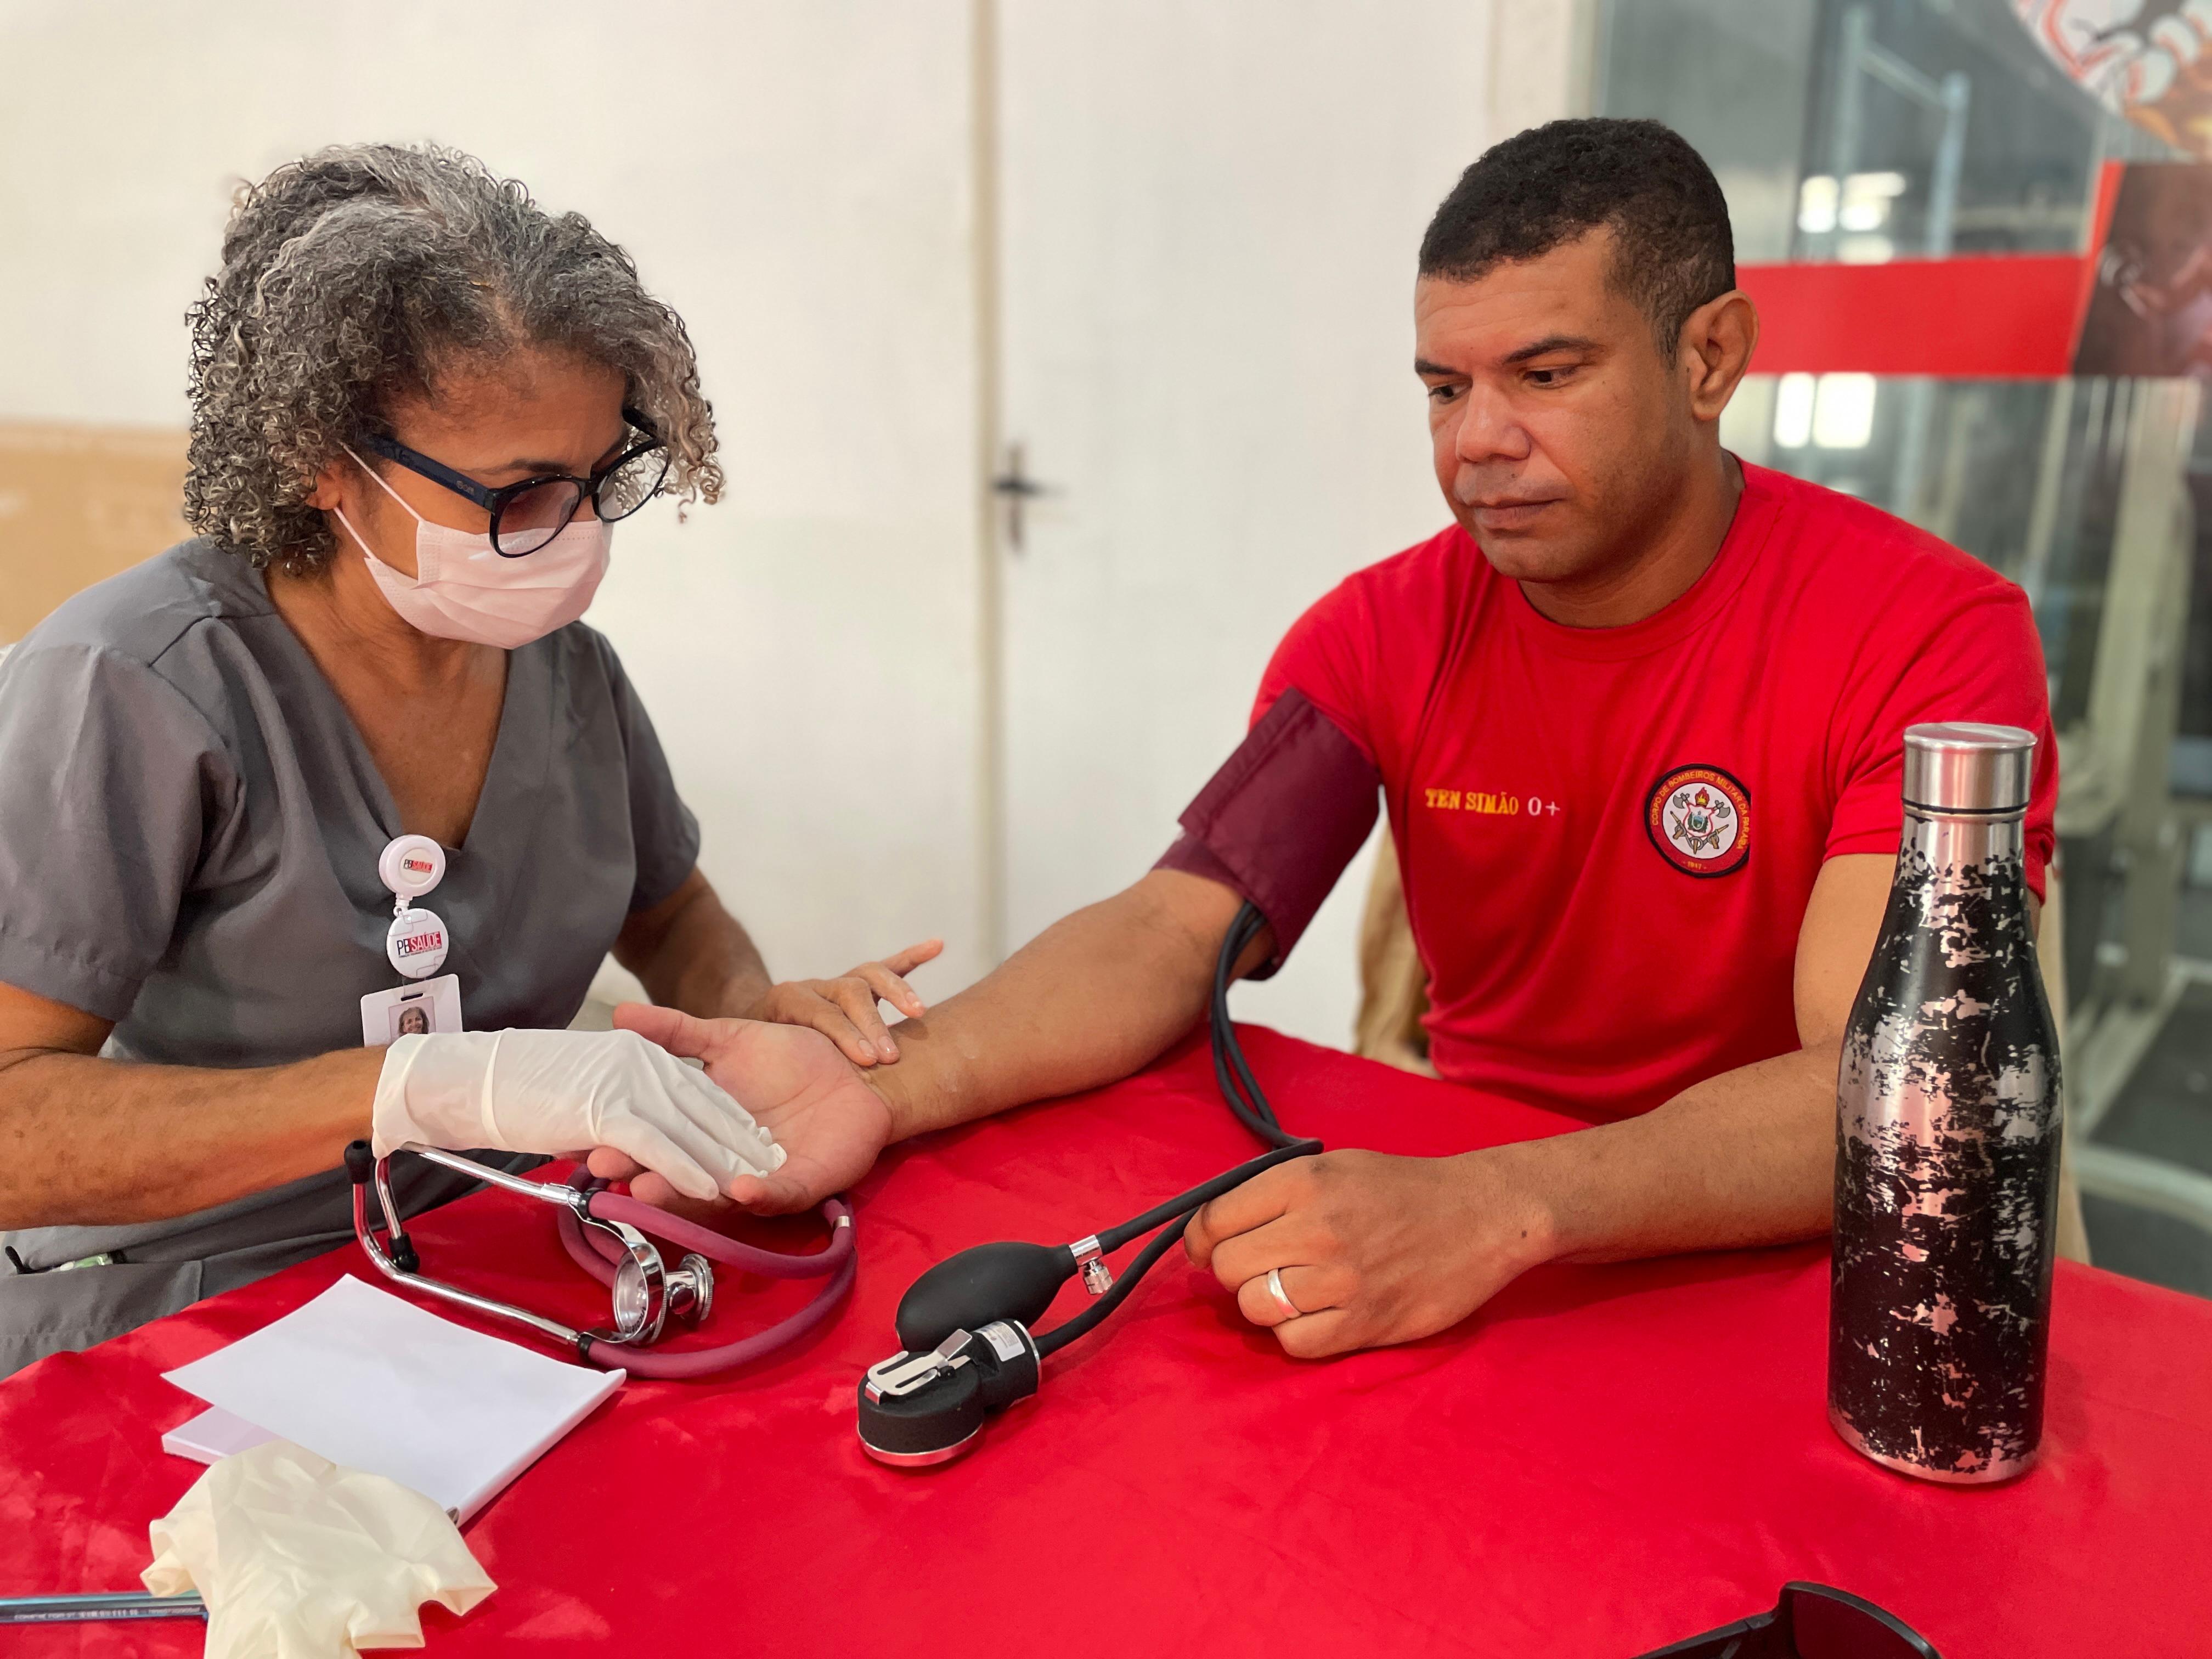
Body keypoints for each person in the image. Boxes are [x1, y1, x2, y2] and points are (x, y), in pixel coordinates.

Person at [586, 118, 2059, 1359]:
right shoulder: (1379, 632)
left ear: (1711, 357)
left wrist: (1501, 1206)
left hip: (1774, 1270)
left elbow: (1887, 1091)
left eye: (1546, 376)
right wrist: (887, 1085)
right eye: (1445, 388)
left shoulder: (1931, 639)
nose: (1478, 441)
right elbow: (1174, 927)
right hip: (1461, 1236)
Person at [0, 144, 935, 1375]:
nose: (576, 531)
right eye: (520, 493)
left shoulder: (562, 670)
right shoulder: (135, 687)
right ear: (321, 460)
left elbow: (674, 915)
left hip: (496, 1247)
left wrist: (749, 1017)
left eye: (601, 477)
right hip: (186, 1297)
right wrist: (423, 1089)